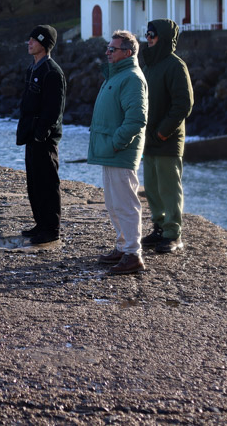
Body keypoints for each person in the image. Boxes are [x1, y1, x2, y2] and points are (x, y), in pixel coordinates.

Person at [87, 30, 148, 275]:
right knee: (114, 203)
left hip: (119, 151)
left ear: (128, 52)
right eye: (108, 48)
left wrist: (115, 143)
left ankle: (133, 253)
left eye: (113, 49)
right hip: (110, 150)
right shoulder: (117, 75)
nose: (108, 52)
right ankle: (123, 247)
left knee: (125, 203)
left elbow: (136, 119)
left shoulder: (131, 78)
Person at [140, 19, 194, 254]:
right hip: (148, 138)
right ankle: (160, 227)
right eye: (147, 34)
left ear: (162, 37)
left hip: (166, 140)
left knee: (169, 188)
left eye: (152, 35)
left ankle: (174, 234)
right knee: (152, 187)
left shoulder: (175, 65)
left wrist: (163, 132)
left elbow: (183, 104)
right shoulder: (150, 64)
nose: (148, 38)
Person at [16, 25, 66, 245]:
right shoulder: (33, 68)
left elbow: (54, 109)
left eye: (33, 40)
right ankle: (40, 224)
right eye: (29, 39)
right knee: (34, 183)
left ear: (44, 44)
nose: (29, 43)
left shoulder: (52, 72)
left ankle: (51, 228)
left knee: (47, 182)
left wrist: (41, 133)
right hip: (31, 135)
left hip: (44, 139)